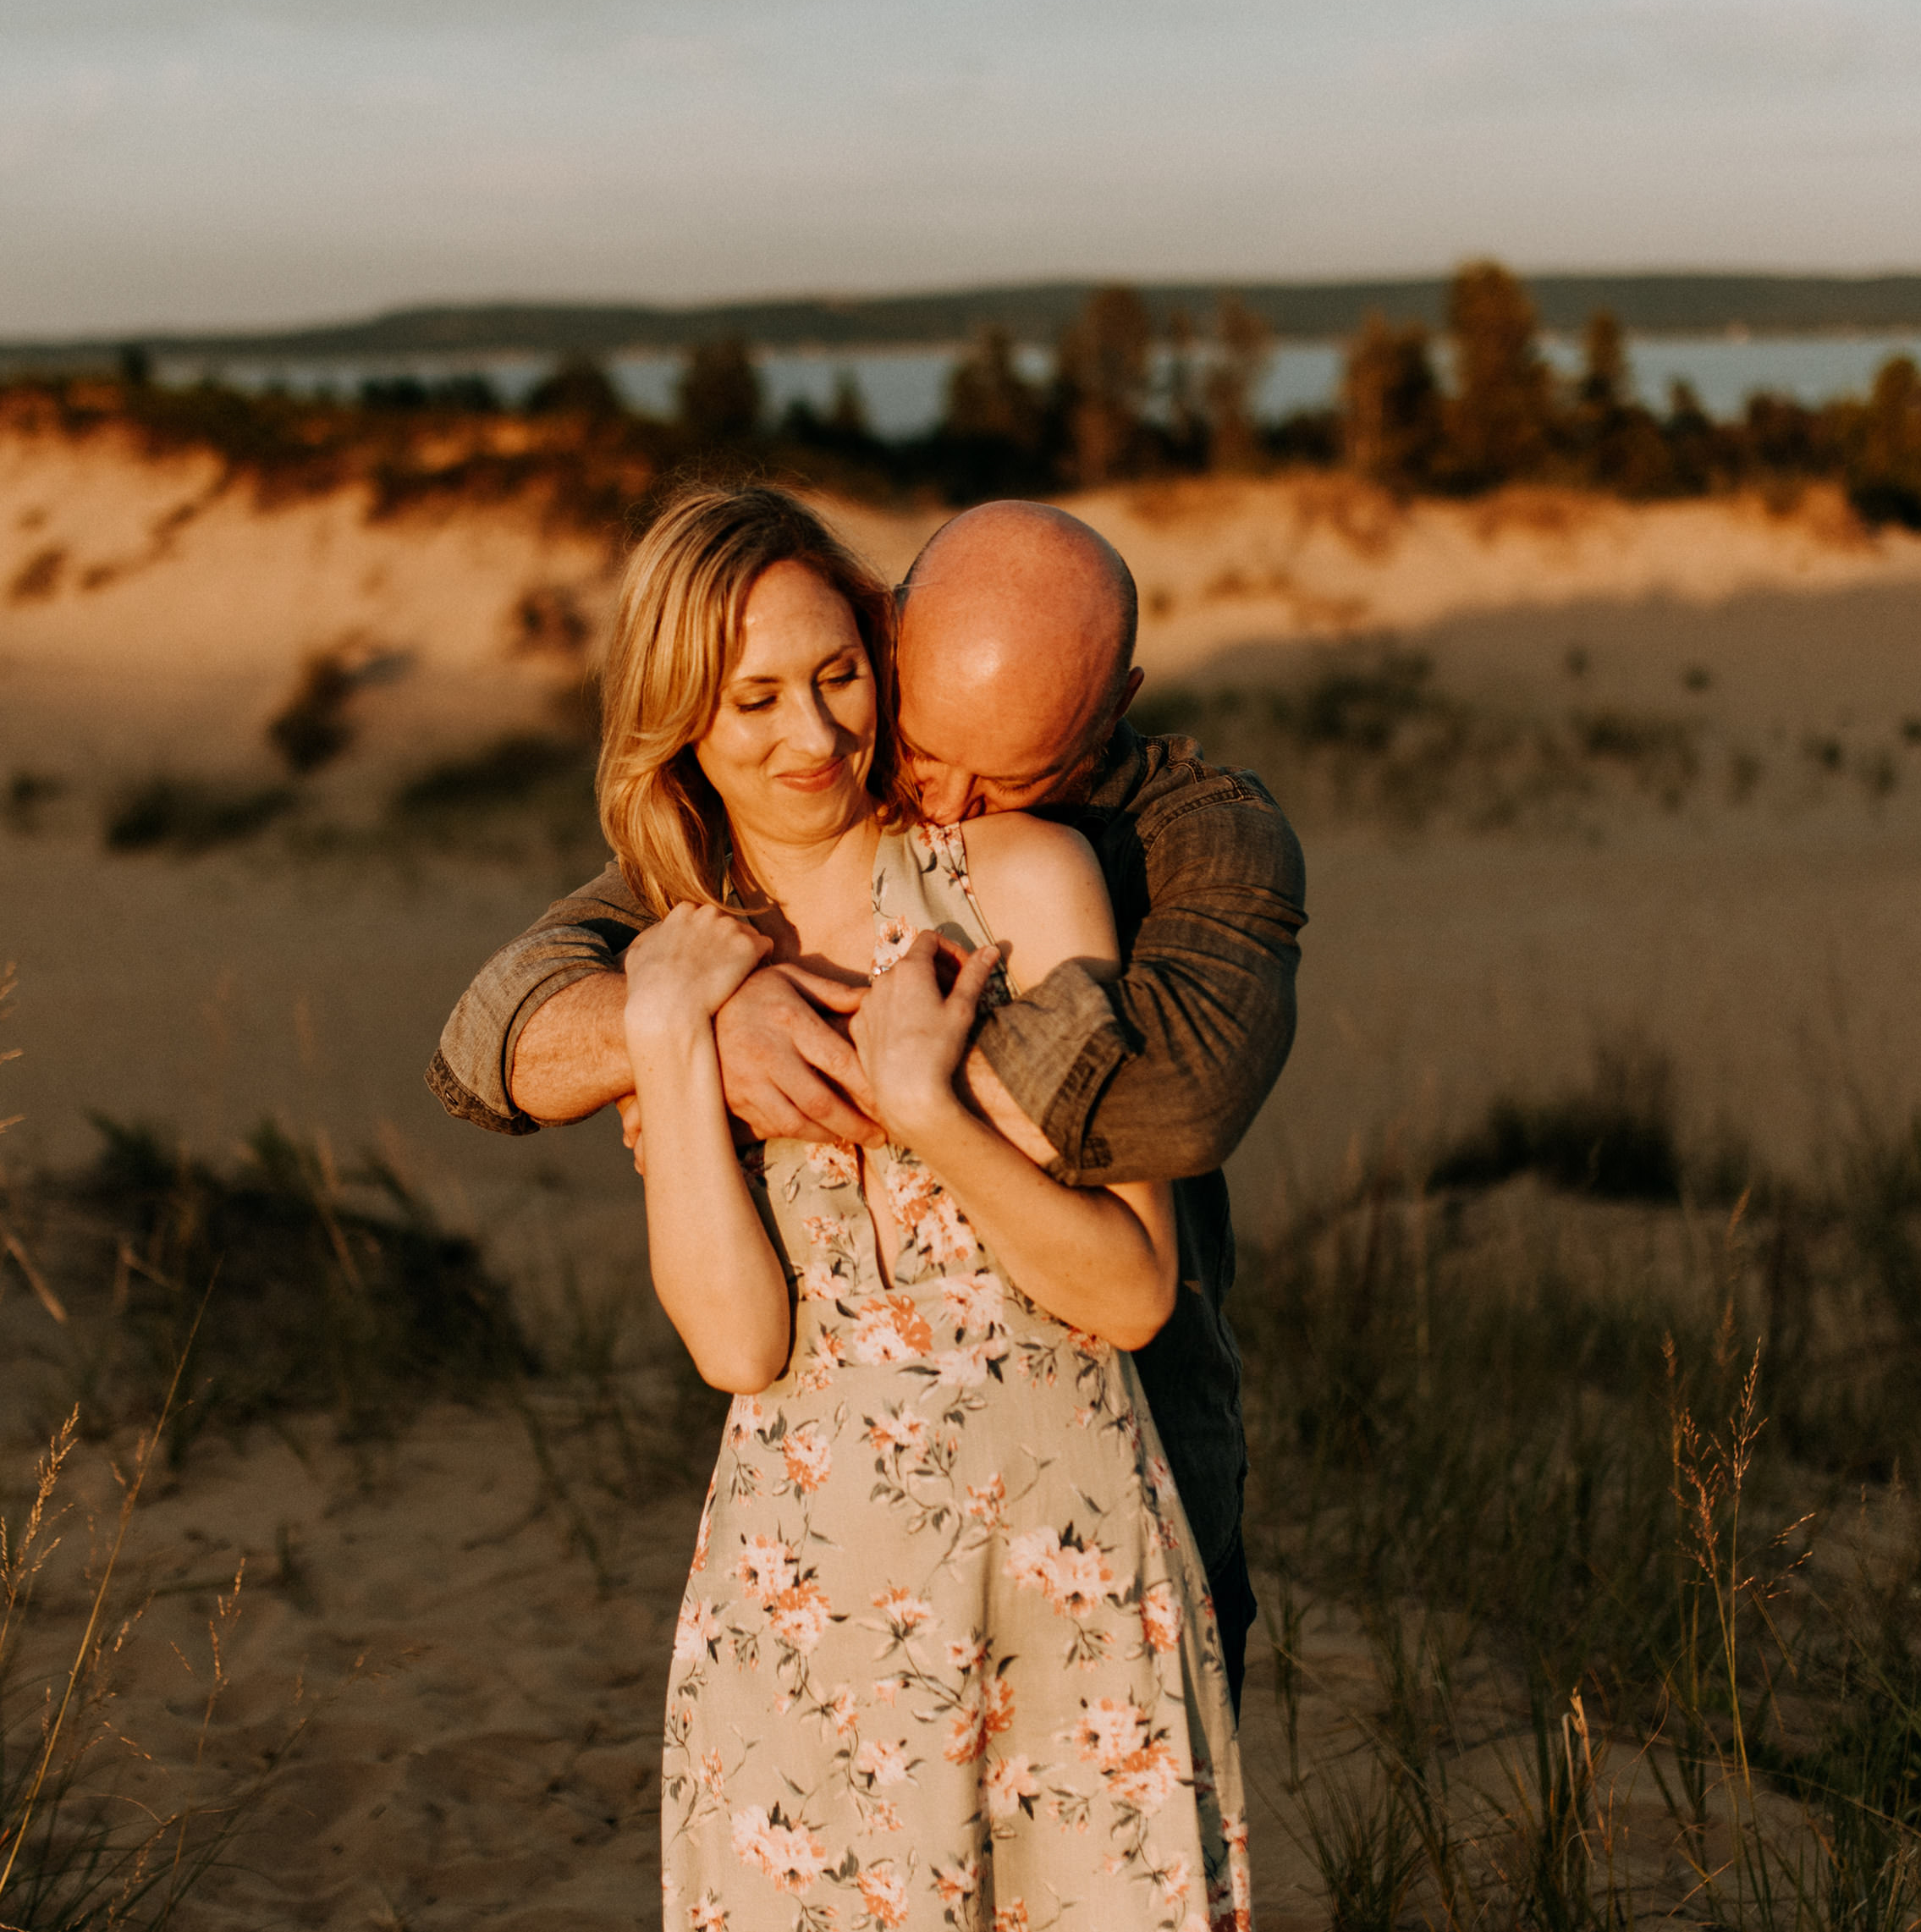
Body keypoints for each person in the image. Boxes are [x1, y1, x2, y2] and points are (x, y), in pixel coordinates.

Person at [431, 498, 1306, 1677]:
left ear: (1116, 705)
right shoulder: (736, 868)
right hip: (824, 1579)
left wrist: (885, 1064)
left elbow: (1177, 1101)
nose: (939, 798)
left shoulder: (1188, 835)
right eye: (929, 750)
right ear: (896, 636)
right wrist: (691, 1028)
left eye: (1009, 773)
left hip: (1129, 1514)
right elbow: (491, 1035)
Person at [564, 485, 1247, 1926]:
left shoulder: (1020, 875)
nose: (815, 736)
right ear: (679, 723)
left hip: (1067, 1573)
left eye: (838, 675)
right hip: (809, 1597)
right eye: (754, 699)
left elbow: (1132, 1290)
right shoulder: (686, 959)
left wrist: (931, 1109)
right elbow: (738, 1346)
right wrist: (670, 1034)